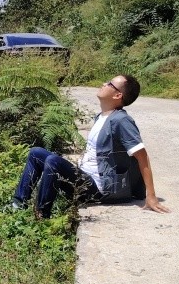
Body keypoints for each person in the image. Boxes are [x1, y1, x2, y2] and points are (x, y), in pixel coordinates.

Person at [11, 74, 170, 218]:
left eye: (109, 84)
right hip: (85, 177)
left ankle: (41, 215)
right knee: (36, 152)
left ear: (117, 95)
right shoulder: (101, 117)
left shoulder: (121, 121)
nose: (103, 83)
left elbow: (142, 156)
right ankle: (18, 204)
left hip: (100, 187)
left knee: (53, 161)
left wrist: (151, 196)